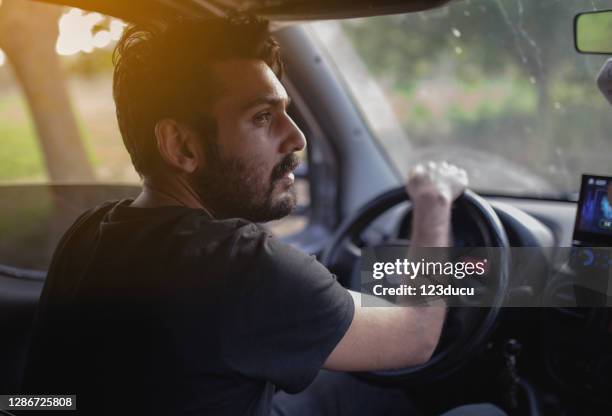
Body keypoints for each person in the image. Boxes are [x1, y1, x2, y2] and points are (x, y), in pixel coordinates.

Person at [21, 15, 501, 416]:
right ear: (182, 145)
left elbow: (41, 400)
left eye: (287, 113)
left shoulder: (90, 232)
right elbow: (417, 335)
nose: (297, 140)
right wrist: (434, 203)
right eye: (262, 117)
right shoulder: (239, 268)